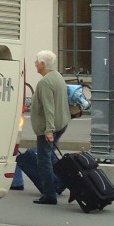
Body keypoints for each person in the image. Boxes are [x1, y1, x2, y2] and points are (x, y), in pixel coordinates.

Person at [26, 49, 70, 205]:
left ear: (43, 64)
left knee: (43, 160)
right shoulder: (58, 77)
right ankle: (64, 181)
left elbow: (48, 108)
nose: (35, 64)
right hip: (61, 123)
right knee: (50, 155)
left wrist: (49, 130)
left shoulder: (45, 82)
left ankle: (50, 194)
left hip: (50, 126)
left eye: (36, 62)